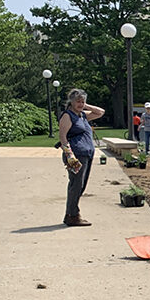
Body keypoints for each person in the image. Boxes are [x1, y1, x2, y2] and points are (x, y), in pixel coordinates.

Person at [57, 88, 106, 227]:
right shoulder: (68, 116)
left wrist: (86, 106)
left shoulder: (82, 115)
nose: (80, 104)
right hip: (76, 155)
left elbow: (100, 112)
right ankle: (73, 215)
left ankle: (70, 214)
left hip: (87, 154)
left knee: (80, 185)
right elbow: (63, 137)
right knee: (76, 185)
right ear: (71, 102)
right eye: (78, 101)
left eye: (82, 101)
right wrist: (70, 156)